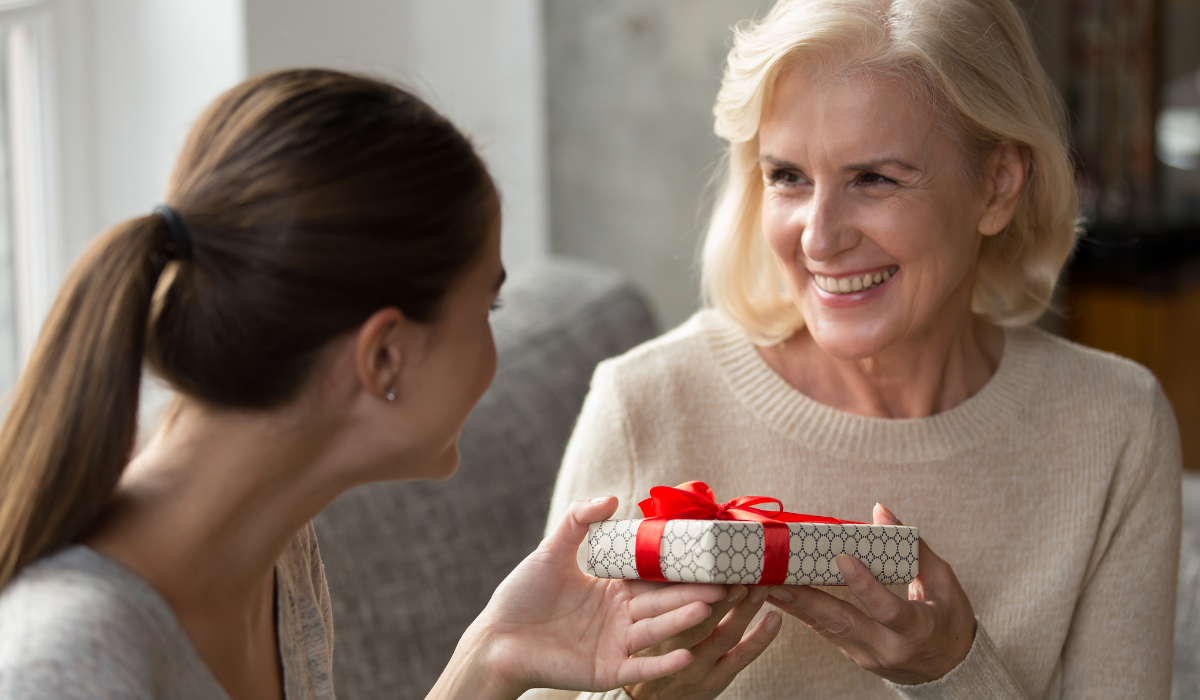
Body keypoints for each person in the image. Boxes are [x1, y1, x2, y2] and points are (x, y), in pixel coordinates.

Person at [0, 69, 732, 700]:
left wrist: (493, 658)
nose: (493, 349)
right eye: (487, 305)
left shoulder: (277, 553)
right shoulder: (73, 658)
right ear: (384, 356)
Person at [536, 0, 1182, 698]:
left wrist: (953, 672)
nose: (819, 238)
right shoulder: (645, 402)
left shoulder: (1116, 425)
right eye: (787, 176)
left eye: (874, 179)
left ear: (997, 185)